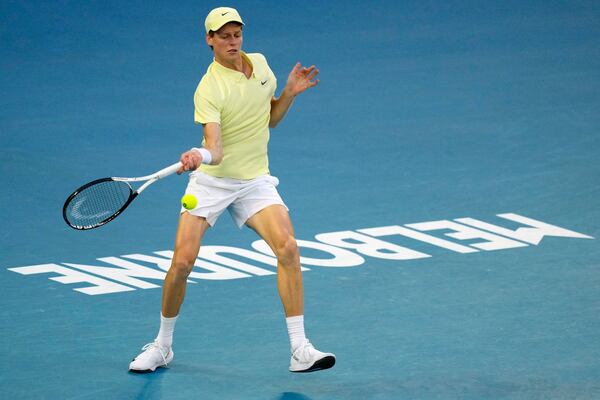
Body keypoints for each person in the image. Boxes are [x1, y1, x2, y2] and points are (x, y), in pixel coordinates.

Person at [128, 7, 335, 374]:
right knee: (182, 263)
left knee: (288, 247)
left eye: (236, 33)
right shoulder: (209, 88)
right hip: (212, 182)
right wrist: (199, 154)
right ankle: (162, 346)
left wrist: (288, 93)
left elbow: (269, 118)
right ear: (209, 40)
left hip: (255, 179)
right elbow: (216, 148)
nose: (232, 41)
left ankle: (300, 349)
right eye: (223, 35)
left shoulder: (261, 65)